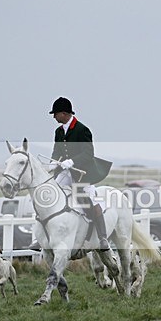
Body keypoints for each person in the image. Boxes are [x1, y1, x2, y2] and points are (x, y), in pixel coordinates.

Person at [49, 97, 113, 250]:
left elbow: (88, 153)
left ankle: (103, 237)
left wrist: (72, 161)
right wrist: (53, 163)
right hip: (65, 172)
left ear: (64, 114)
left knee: (88, 199)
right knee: (52, 193)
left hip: (83, 172)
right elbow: (57, 151)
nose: (54, 117)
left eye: (55, 114)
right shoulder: (58, 131)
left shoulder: (82, 129)